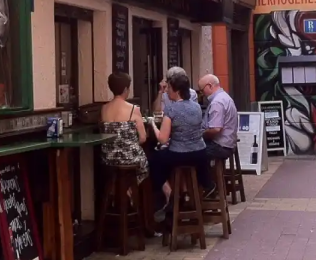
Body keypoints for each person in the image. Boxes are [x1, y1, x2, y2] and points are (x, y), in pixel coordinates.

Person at [148, 73, 216, 221]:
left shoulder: (171, 109)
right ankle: (196, 190)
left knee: (153, 160)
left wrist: (152, 123)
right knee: (166, 158)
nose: (167, 91)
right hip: (199, 154)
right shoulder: (197, 107)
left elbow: (163, 139)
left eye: (169, 88)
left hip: (180, 155)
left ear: (177, 90)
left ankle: (170, 193)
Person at [99, 73, 149, 178]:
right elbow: (143, 138)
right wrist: (129, 144)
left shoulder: (104, 108)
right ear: (126, 89)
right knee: (144, 160)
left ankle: (122, 190)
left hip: (108, 158)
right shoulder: (133, 109)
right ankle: (130, 190)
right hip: (130, 157)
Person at [197, 74, 238, 162]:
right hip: (228, 143)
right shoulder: (224, 96)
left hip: (220, 145)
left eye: (201, 90)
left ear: (210, 86)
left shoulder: (217, 102)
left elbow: (215, 129)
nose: (201, 94)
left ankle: (205, 175)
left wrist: (201, 135)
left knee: (193, 153)